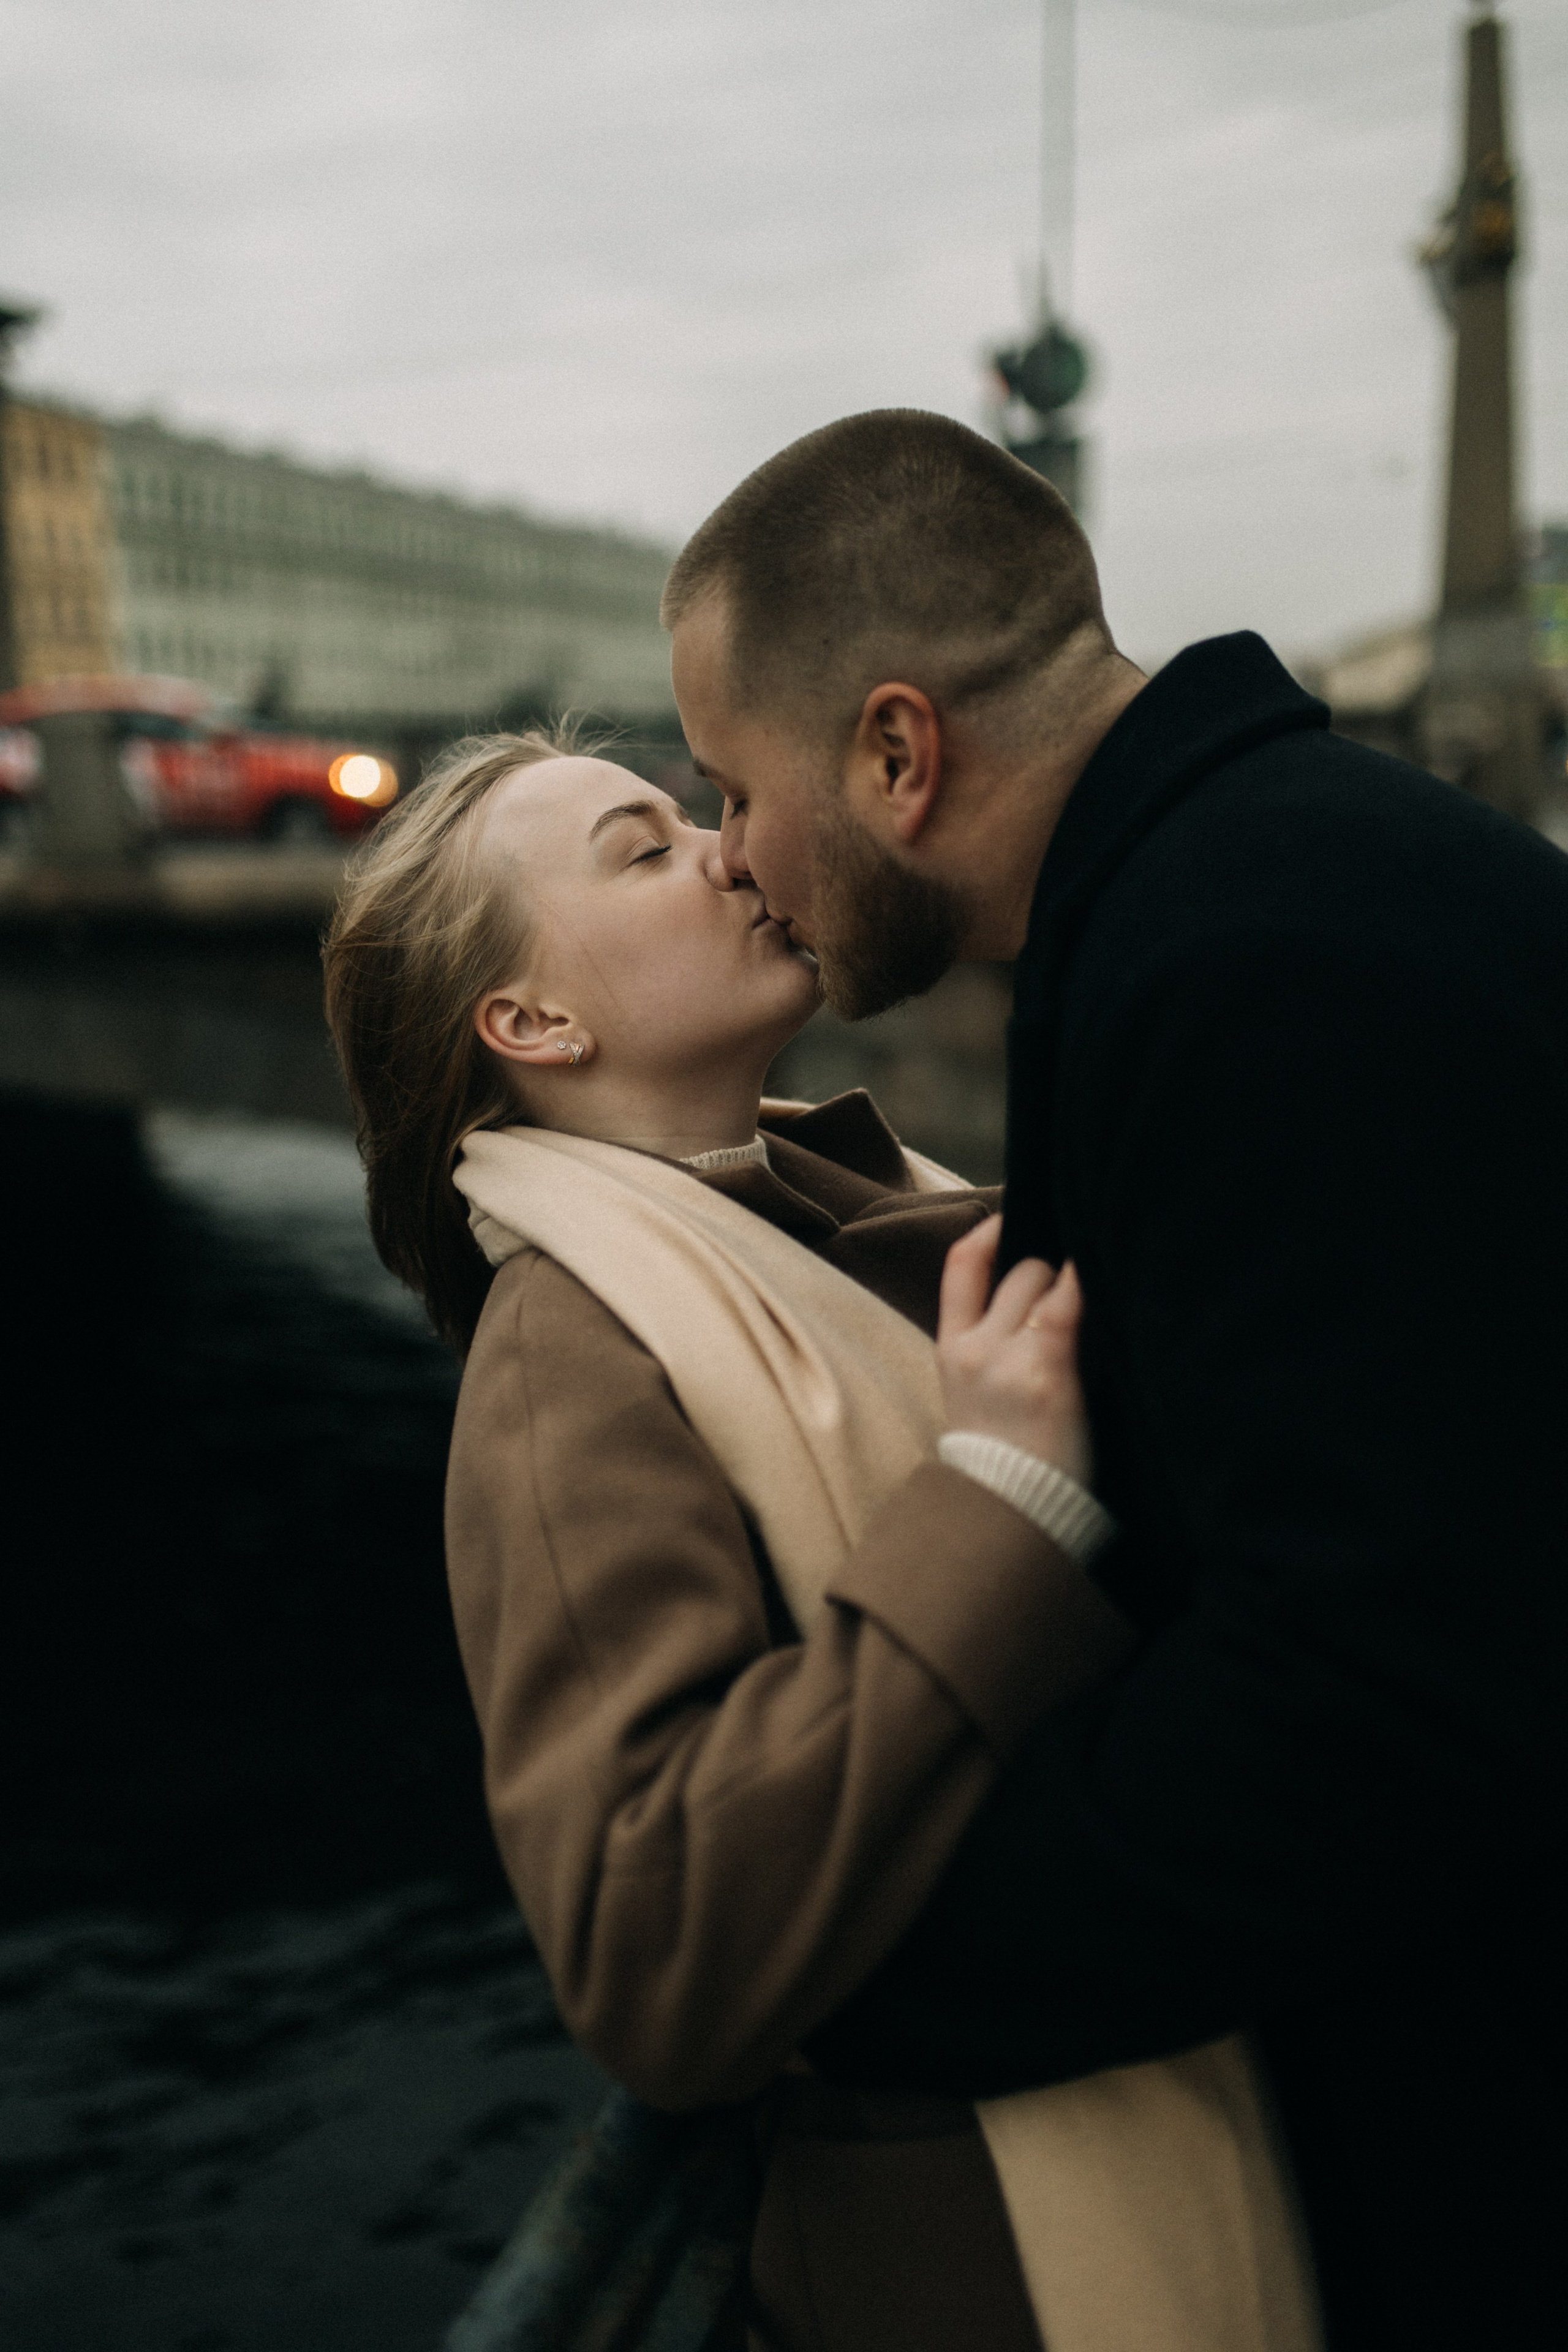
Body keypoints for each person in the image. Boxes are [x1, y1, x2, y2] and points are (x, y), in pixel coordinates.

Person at [662, 407, 1568, 2351]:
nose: (732, 861)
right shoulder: (1279, 881)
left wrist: (874, 1984)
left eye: (732, 790)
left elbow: (1365, 1707)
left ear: (897, 754)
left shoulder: (1251, 960)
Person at [322, 733, 1321, 2352]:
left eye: (693, 814)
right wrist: (1002, 1502)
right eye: (641, 850)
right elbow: (653, 1948)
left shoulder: (835, 1208)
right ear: (533, 1024)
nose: (725, 849)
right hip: (991, 2259)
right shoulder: (562, 1357)